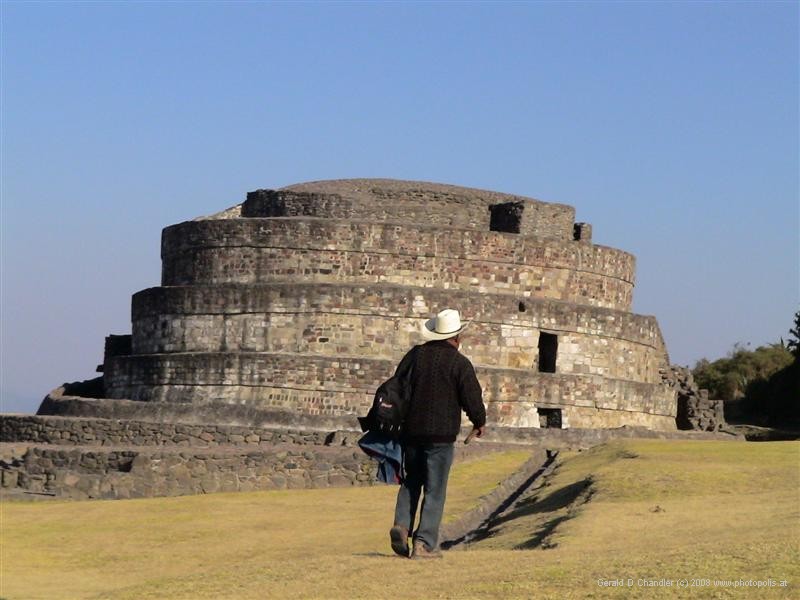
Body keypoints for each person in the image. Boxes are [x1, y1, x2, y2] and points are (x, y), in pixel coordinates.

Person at [390, 308, 486, 559]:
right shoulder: (460, 364)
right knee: (435, 489)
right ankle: (423, 544)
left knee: (411, 481)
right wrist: (479, 422)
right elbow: (472, 398)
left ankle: (401, 525)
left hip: (411, 432)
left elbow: (397, 385)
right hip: (441, 437)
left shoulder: (415, 356)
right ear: (456, 338)